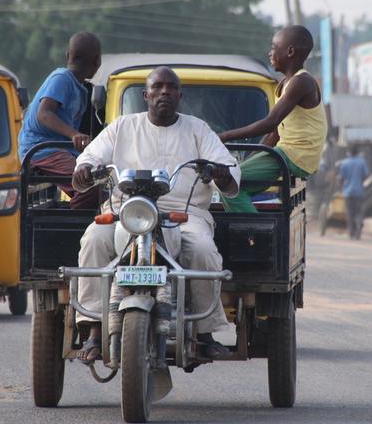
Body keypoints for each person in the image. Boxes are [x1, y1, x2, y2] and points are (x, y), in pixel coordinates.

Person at [71, 67, 241, 364]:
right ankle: (94, 330)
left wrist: (220, 173)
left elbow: (227, 169)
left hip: (184, 215)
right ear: (145, 95)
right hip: (125, 211)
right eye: (158, 87)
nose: (164, 92)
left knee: (203, 250)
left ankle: (204, 333)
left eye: (171, 87)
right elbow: (90, 157)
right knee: (93, 240)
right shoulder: (122, 126)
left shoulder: (198, 129)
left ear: (179, 95)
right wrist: (85, 170)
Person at [218, 25, 328, 212]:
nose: (269, 53)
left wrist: (224, 136)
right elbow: (274, 134)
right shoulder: (286, 83)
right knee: (234, 183)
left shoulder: (302, 82)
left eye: (274, 47)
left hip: (296, 154)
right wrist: (249, 161)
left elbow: (270, 122)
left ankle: (253, 236)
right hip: (287, 151)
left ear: (290, 51)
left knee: (229, 183)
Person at [18, 31, 102, 209]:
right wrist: (74, 135)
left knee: (103, 178)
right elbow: (44, 114)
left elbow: (28, 113)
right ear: (97, 61)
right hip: (42, 148)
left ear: (67, 56)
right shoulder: (62, 78)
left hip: (58, 149)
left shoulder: (79, 86)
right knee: (91, 185)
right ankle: (73, 227)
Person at [337, 146, 368, 240]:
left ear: (349, 153)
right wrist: (360, 182)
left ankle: (351, 232)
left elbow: (341, 178)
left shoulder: (345, 163)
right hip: (359, 191)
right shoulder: (361, 162)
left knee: (350, 212)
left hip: (348, 192)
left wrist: (341, 187)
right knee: (358, 211)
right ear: (357, 152)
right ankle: (358, 227)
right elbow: (365, 175)